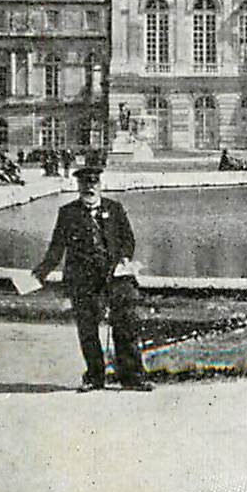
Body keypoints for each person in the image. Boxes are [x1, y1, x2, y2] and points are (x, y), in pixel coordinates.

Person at [31, 166, 150, 391]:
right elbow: (56, 249)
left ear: (100, 185)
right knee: (88, 330)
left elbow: (128, 240)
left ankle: (133, 378)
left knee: (126, 326)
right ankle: (95, 378)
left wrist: (124, 258)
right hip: (83, 280)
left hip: (114, 278)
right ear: (78, 187)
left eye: (94, 184)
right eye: (85, 184)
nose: (90, 188)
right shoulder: (68, 213)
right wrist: (40, 273)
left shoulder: (115, 209)